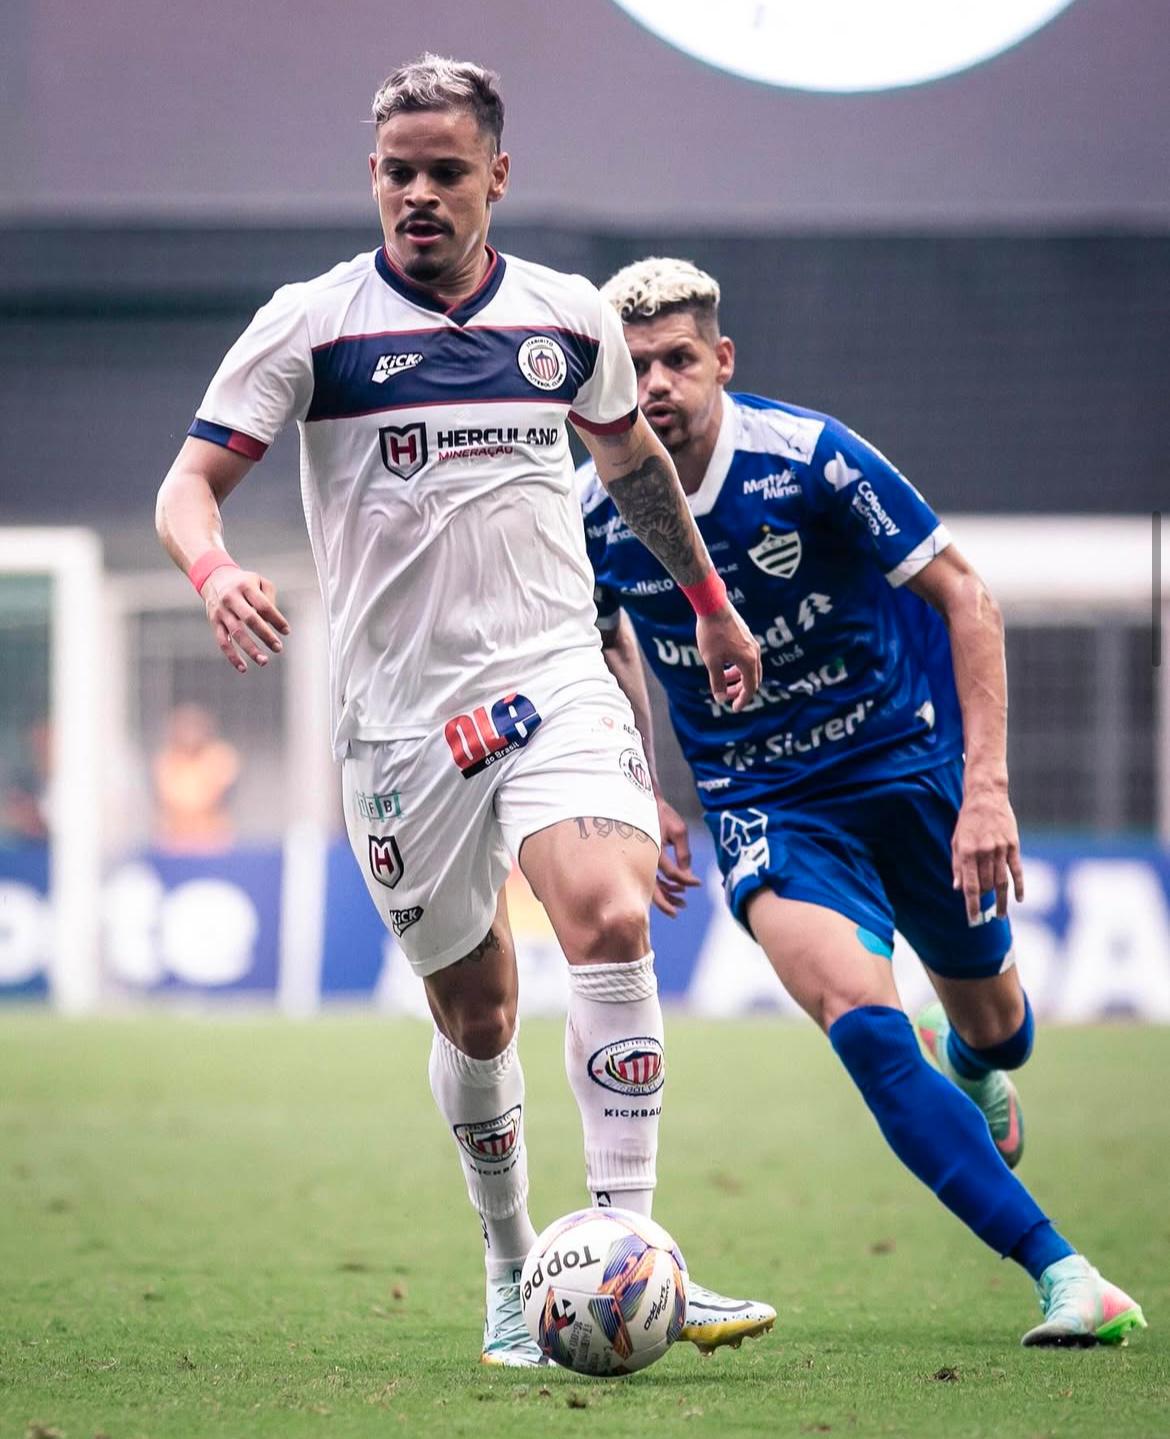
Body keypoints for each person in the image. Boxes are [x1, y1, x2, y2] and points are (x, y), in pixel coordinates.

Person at [155, 59, 774, 1366]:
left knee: (607, 913)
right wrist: (212, 571)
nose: (419, 194)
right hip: (399, 724)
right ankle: (509, 1267)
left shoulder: (564, 317)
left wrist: (711, 603)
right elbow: (188, 485)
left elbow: (634, 465)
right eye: (397, 171)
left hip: (551, 670)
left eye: (446, 170)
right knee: (478, 1010)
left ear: (499, 174)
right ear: (372, 177)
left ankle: (624, 1243)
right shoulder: (311, 324)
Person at [580, 256, 1146, 1348]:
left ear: (722, 361)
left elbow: (963, 592)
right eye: (633, 363)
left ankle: (975, 1060)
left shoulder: (811, 456)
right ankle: (1068, 1274)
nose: (655, 384)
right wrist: (644, 786)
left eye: (678, 360)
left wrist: (986, 787)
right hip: (765, 802)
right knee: (863, 1024)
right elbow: (604, 643)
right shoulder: (592, 510)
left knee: (1001, 1027)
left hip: (908, 767)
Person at [152, 703, 240, 852]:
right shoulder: (167, 759)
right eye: (185, 728)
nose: (190, 734)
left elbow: (212, 797)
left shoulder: (219, 756)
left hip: (212, 838)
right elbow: (171, 798)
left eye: (194, 728)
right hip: (175, 839)